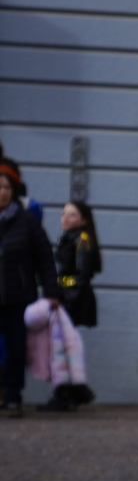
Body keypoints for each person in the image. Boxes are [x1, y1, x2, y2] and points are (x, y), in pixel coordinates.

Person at [0, 167, 61, 416]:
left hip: (18, 296)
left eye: (6, 187)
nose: (1, 192)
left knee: (16, 349)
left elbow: (45, 259)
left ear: (13, 192)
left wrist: (52, 291)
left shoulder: (27, 221)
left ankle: (13, 396)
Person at [38, 200, 101, 412]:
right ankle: (74, 389)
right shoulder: (69, 238)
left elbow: (79, 277)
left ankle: (69, 391)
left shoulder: (82, 240)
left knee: (61, 346)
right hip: (69, 297)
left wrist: (57, 284)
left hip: (74, 299)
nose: (65, 218)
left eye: (72, 215)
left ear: (83, 220)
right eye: (64, 213)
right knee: (63, 346)